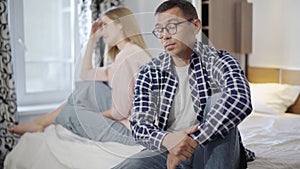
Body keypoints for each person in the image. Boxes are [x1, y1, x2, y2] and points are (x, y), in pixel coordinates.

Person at [113, 0, 254, 168]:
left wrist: (192, 142)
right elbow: (139, 125)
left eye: (172, 26)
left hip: (210, 146)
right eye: (159, 30)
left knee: (219, 100)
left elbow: (240, 99)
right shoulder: (149, 71)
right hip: (169, 148)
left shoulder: (218, 60)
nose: (165, 35)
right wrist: (168, 140)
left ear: (195, 26)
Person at [9, 7, 151, 145]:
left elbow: (119, 113)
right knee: (89, 87)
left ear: (120, 25)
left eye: (105, 25)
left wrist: (94, 117)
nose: (102, 31)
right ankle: (38, 123)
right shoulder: (131, 52)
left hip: (134, 134)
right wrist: (92, 38)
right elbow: (86, 74)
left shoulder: (126, 57)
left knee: (70, 113)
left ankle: (39, 123)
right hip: (134, 121)